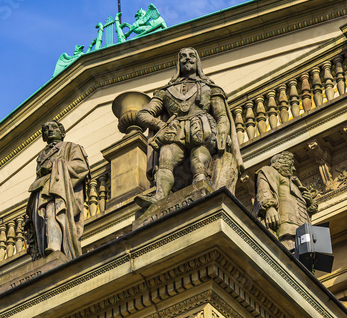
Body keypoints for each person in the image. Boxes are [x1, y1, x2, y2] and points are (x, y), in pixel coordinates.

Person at [135, 47, 243, 203]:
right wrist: (160, 125)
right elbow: (142, 114)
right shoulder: (166, 91)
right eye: (183, 56)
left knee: (199, 158)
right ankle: (159, 196)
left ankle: (199, 191)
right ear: (178, 63)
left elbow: (221, 116)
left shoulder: (210, 88)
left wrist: (222, 133)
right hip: (175, 132)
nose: (187, 58)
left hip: (202, 130)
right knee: (165, 158)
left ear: (197, 61)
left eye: (191, 56)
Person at [25, 120, 90, 259]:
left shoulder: (71, 147)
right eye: (45, 129)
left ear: (62, 132)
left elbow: (81, 166)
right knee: (42, 220)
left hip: (58, 188)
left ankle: (55, 246)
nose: (49, 130)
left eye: (53, 127)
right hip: (41, 189)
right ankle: (47, 250)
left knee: (52, 213)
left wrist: (57, 165)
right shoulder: (40, 156)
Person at [253, 151, 317, 250]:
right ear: (283, 163)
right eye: (291, 165)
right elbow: (264, 189)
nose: (294, 169)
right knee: (288, 250)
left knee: (303, 257)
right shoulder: (269, 171)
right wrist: (269, 208)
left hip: (302, 227)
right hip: (286, 224)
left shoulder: (295, 183)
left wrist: (310, 203)